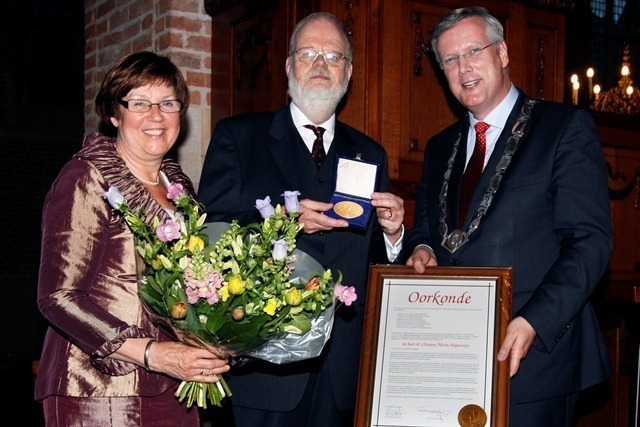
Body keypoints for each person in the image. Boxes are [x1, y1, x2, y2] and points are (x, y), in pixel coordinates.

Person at [404, 6, 612, 427]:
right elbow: (426, 232)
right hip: (449, 360)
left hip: (534, 363)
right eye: (450, 59)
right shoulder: (438, 145)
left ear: (501, 53)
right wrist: (421, 248)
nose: (463, 68)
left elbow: (589, 242)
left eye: (473, 51)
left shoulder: (562, 128)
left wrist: (534, 320)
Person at [198, 12, 405, 427]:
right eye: (308, 53)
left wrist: (395, 233)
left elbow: (377, 265)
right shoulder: (238, 138)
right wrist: (281, 223)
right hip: (263, 366)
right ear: (290, 65)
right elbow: (209, 237)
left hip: (341, 372)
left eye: (333, 56)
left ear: (348, 72)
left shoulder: (371, 153)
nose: (320, 64)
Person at [34, 51, 230, 426]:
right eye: (139, 103)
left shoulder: (181, 188)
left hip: (175, 384)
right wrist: (153, 354)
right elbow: (57, 298)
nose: (156, 116)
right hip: (99, 389)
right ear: (114, 114)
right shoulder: (88, 177)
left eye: (168, 103)